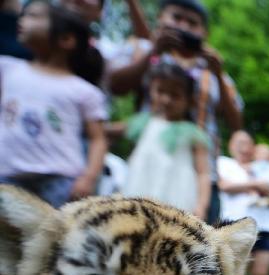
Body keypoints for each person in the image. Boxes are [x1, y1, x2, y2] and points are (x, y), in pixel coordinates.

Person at [106, 0, 242, 224]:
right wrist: (154, 49)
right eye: (176, 18)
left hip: (201, 178)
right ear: (160, 19)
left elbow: (236, 124)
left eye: (193, 23)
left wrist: (217, 73)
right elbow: (116, 86)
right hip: (146, 171)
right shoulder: (144, 51)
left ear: (204, 32)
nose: (184, 27)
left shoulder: (215, 72)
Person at [0, 1, 107, 207]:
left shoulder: (85, 91)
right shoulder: (6, 69)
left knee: (56, 236)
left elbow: (98, 139)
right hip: (7, 175)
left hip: (60, 180)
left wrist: (88, 178)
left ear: (66, 39)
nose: (22, 20)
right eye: (23, 15)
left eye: (33, 16)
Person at [121, 61, 210, 219]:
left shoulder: (194, 134)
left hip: (177, 198)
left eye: (175, 95)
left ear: (189, 100)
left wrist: (201, 205)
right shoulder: (142, 124)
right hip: (139, 191)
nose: (166, 100)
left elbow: (203, 173)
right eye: (160, 91)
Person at [218, 130, 269, 275]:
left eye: (247, 143)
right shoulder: (224, 163)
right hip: (234, 226)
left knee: (261, 274)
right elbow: (224, 185)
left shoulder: (267, 168)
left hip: (264, 227)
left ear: (253, 148)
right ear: (231, 146)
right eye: (239, 143)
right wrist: (255, 185)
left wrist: (268, 191)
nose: (243, 147)